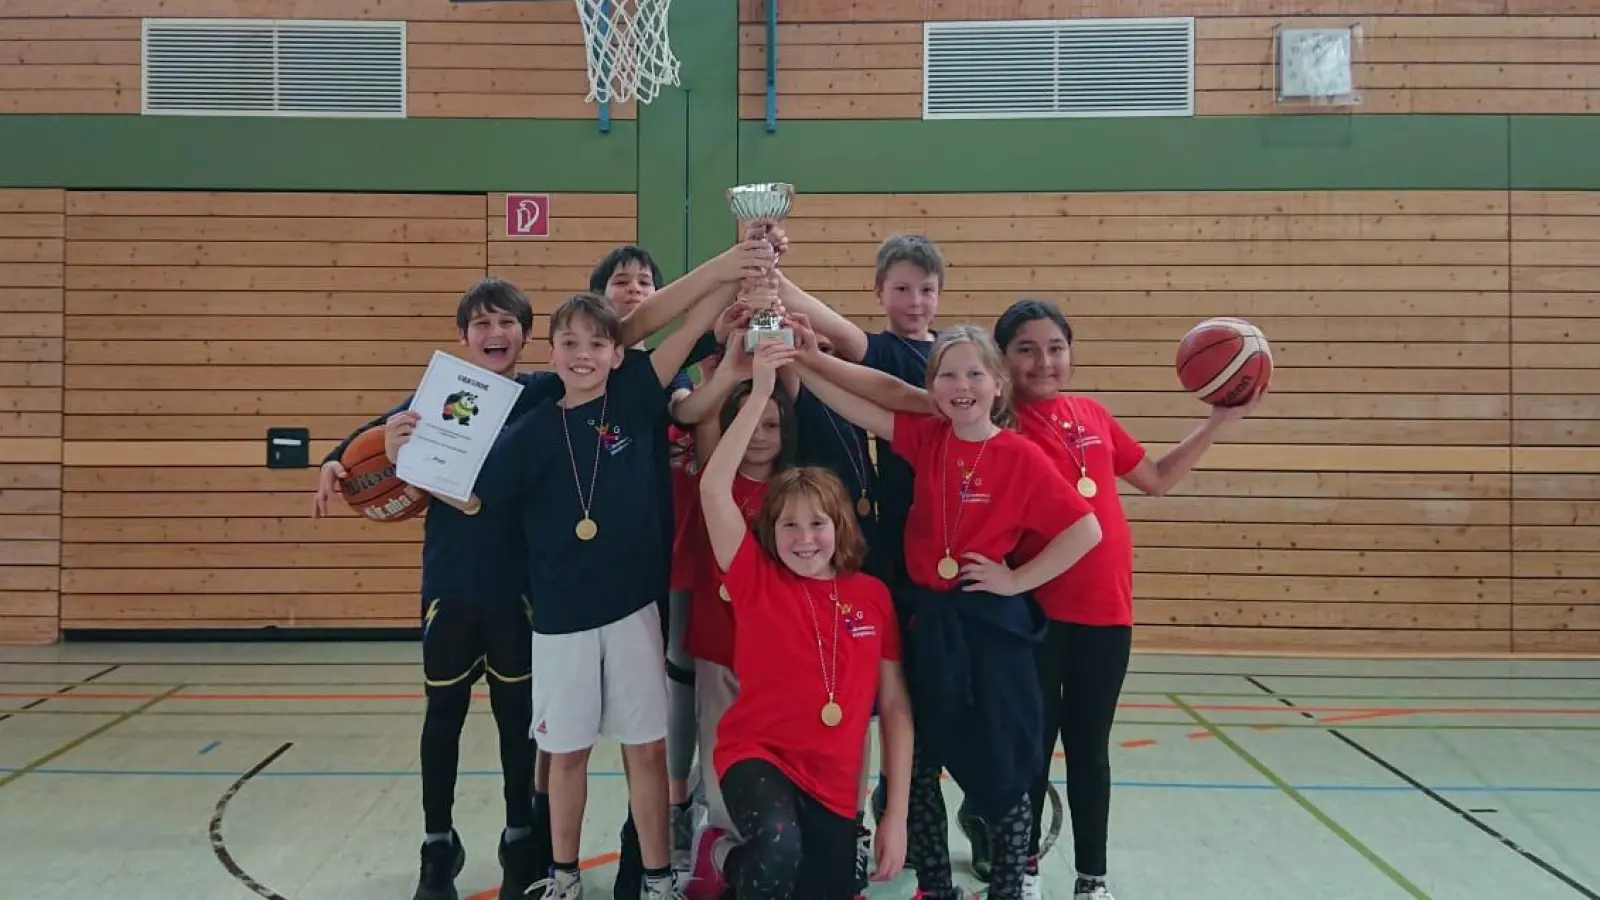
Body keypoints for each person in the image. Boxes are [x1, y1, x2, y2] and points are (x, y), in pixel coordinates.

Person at [787, 316, 1103, 900]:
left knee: (1004, 764)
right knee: (921, 761)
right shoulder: (928, 437)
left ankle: (1008, 885)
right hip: (929, 622)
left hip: (989, 625)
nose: (961, 386)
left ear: (998, 383)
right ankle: (935, 886)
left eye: (975, 374)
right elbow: (858, 407)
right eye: (947, 375)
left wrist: (1016, 580)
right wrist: (802, 361)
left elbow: (1085, 531)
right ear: (932, 387)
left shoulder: (1021, 456)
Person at [461, 277, 742, 900]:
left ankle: (658, 875)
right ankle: (564, 874)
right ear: (551, 354)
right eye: (569, 342)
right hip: (559, 620)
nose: (583, 353)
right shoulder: (529, 432)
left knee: (646, 750)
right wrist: (408, 456)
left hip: (633, 610)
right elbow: (471, 493)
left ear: (619, 353)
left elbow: (688, 327)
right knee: (567, 755)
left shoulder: (637, 395)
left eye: (597, 342)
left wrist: (736, 275)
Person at [994, 298, 1263, 900]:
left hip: (1107, 614)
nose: (1044, 362)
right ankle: (1025, 871)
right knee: (1030, 750)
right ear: (1003, 359)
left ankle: (1092, 879)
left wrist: (1220, 420)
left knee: (1089, 751)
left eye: (1055, 348)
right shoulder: (999, 423)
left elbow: (1158, 479)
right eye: (1026, 350)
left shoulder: (1093, 414)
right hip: (1034, 614)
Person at [309, 276, 559, 900]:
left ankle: (520, 839)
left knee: (515, 725)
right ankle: (437, 845)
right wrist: (340, 461)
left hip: (518, 588)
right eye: (482, 324)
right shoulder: (436, 395)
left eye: (507, 323)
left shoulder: (541, 395)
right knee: (441, 719)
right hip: (451, 584)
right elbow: (358, 447)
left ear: (526, 336)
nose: (495, 334)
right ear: (463, 337)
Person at [695, 340, 913, 900]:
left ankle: (734, 859)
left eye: (817, 524)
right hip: (756, 755)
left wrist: (894, 815)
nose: (804, 538)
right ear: (772, 534)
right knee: (777, 850)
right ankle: (727, 857)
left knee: (826, 882)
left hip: (835, 786)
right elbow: (713, 487)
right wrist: (760, 392)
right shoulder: (755, 578)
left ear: (840, 528)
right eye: (789, 527)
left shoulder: (872, 598)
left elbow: (893, 709)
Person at [772, 235, 947, 884]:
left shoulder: (951, 367)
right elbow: (829, 328)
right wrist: (768, 270)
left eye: (925, 289)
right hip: (876, 550)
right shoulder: (874, 351)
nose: (914, 300)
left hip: (930, 556)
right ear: (879, 293)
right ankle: (853, 816)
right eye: (900, 288)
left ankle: (906, 805)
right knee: (861, 692)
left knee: (922, 698)